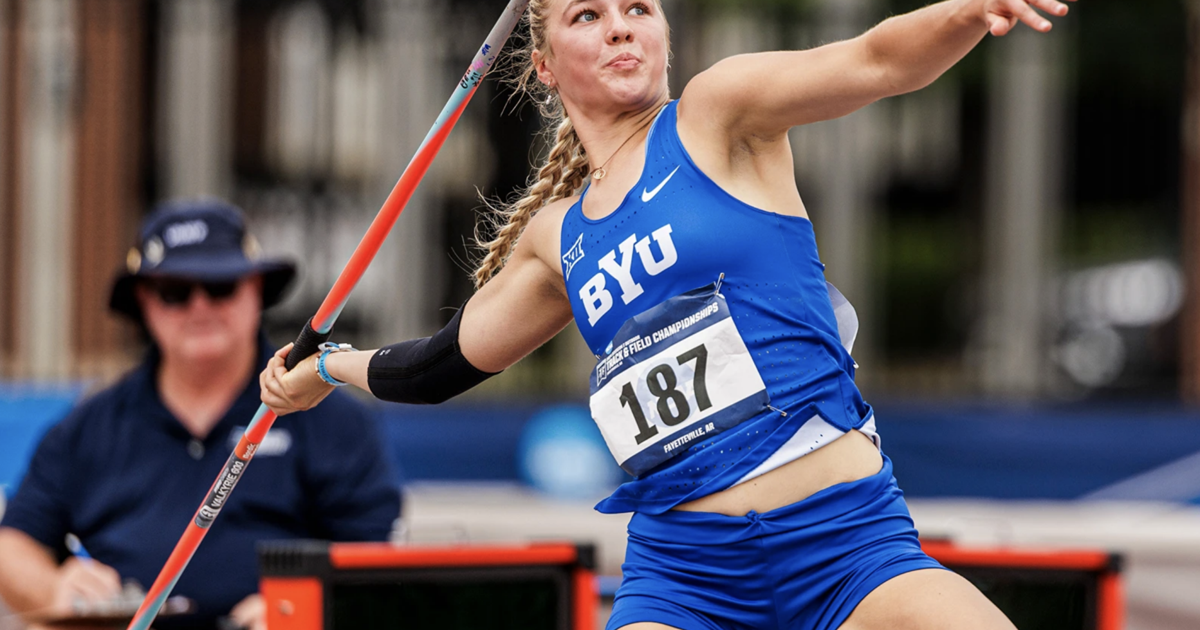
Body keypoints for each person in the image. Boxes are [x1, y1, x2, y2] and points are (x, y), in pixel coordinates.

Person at [261, 1, 1074, 628]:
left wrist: (966, 13)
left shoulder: (719, 116)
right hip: (687, 575)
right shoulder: (556, 241)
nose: (621, 30)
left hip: (847, 546)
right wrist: (326, 367)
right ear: (543, 65)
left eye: (638, 11)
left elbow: (876, 60)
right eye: (588, 15)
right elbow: (441, 364)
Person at [0, 201, 402, 630]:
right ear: (144, 302)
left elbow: (373, 563)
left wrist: (302, 607)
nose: (199, 306)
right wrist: (54, 587)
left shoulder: (333, 419)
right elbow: (12, 544)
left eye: (221, 286)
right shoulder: (89, 425)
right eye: (175, 291)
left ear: (257, 291)